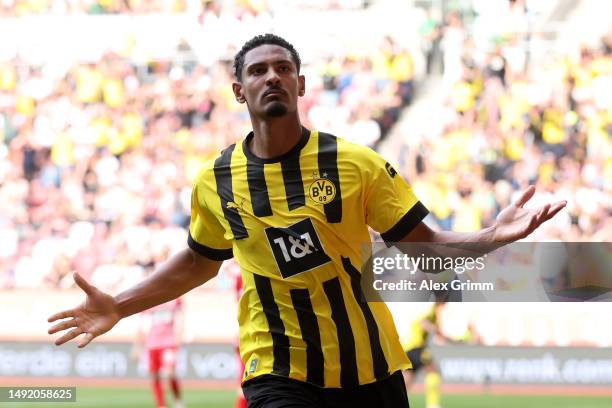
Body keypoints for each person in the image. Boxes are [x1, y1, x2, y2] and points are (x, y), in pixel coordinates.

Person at [48, 33, 566, 408]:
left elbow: (424, 246)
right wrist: (120, 304)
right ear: (238, 91)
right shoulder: (217, 179)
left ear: (301, 84)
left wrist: (490, 237)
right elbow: (199, 262)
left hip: (371, 368)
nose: (271, 76)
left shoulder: (356, 164)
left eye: (282, 68)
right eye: (257, 70)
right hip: (278, 369)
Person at [132, 297, 184, 408]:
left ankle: (177, 401)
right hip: (152, 344)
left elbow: (180, 319)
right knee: (155, 376)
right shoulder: (148, 300)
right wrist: (136, 346)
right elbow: (141, 326)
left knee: (170, 373)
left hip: (168, 343)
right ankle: (161, 405)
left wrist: (179, 338)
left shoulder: (175, 298)